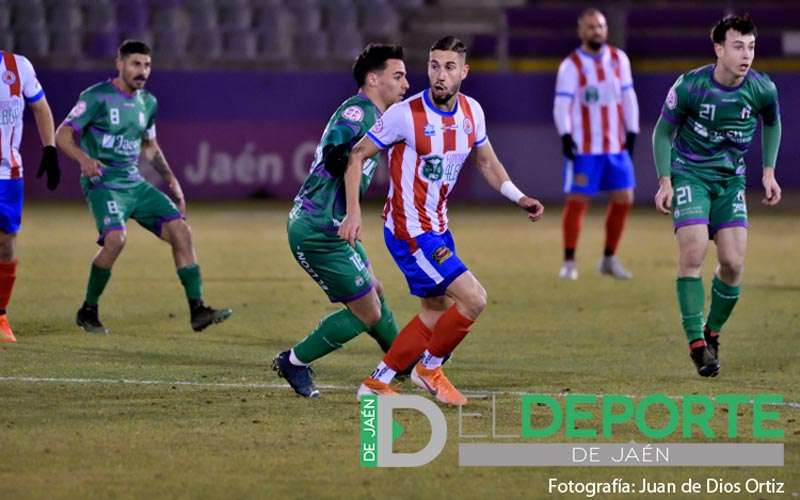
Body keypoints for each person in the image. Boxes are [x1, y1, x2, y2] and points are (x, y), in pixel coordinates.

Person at [340, 36, 544, 406]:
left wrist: (518, 196)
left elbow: (486, 162)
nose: (440, 75)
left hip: (438, 226)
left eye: (449, 67)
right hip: (410, 231)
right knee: (473, 299)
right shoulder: (405, 115)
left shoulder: (472, 112)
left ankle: (377, 382)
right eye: (434, 65)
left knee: (435, 311)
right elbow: (356, 155)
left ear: (463, 72)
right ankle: (428, 369)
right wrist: (354, 211)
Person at [55, 40, 232, 334]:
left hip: (134, 183)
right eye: (136, 64)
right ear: (120, 64)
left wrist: (171, 180)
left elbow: (149, 145)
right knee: (115, 241)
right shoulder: (96, 97)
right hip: (104, 183)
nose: (142, 71)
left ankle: (198, 310)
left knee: (181, 232)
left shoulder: (147, 103)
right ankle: (88, 310)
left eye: (147, 65)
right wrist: (83, 159)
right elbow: (63, 134)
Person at [272, 44, 410, 398]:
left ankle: (403, 360)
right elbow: (338, 156)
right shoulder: (356, 112)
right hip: (319, 228)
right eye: (398, 76)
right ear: (373, 78)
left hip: (329, 224)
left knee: (373, 289)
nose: (405, 84)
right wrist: (352, 209)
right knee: (367, 310)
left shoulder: (378, 118)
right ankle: (294, 361)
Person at [652, 14, 781, 377]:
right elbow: (662, 133)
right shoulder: (691, 86)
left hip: (731, 182)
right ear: (719, 49)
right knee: (693, 251)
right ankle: (697, 345)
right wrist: (666, 182)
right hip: (690, 175)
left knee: (734, 263)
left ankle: (712, 333)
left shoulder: (762, 89)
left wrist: (768, 172)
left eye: (752, 47)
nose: (747, 55)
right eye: (738, 46)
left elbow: (772, 121)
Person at [553, 8, 639, 280]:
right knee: (578, 200)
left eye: (600, 26)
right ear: (581, 31)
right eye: (590, 27)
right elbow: (561, 104)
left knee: (625, 198)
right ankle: (568, 261)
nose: (596, 31)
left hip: (615, 145)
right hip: (585, 147)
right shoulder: (571, 65)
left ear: (606, 29)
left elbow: (628, 97)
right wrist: (565, 135)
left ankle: (609, 258)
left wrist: (632, 131)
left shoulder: (618, 59)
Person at [0, 50, 60, 343]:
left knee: (7, 246)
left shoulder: (18, 66)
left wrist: (49, 149)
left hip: (8, 175)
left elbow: (41, 107)